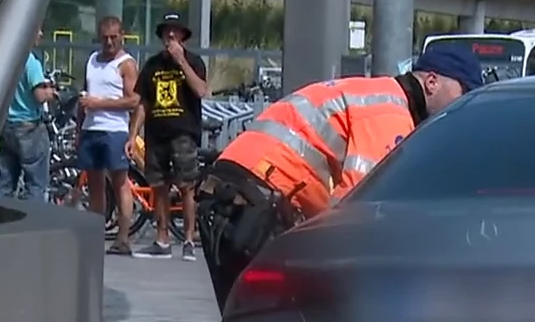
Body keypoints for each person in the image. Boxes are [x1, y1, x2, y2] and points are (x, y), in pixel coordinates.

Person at [196, 44, 484, 307]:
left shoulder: (373, 94)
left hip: (235, 192)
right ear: (432, 82)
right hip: (253, 200)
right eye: (464, 93)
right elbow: (360, 206)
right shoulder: (390, 115)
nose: (464, 106)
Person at [132, 12, 210, 260]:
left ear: (183, 37)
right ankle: (162, 239)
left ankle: (188, 238)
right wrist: (132, 133)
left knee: (187, 186)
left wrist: (181, 62)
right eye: (167, 32)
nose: (171, 36)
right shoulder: (152, 65)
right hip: (156, 133)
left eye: (175, 32)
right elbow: (144, 102)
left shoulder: (194, 61)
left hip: (183, 133)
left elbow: (200, 90)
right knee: (159, 186)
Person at [80, 16, 140, 255]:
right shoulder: (93, 60)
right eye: (105, 38)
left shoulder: (126, 64)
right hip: (90, 129)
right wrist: (79, 129)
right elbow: (85, 97)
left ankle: (123, 237)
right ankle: (97, 234)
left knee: (120, 183)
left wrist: (99, 103)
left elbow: (134, 100)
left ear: (121, 35)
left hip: (114, 130)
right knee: (95, 186)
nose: (109, 43)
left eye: (114, 38)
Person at [0, 30, 55, 200]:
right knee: (35, 184)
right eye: (37, 30)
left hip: (8, 125)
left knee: (5, 181)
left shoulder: (7, 61)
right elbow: (39, 96)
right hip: (29, 127)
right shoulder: (31, 62)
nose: (41, 34)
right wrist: (50, 92)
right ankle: (31, 224)